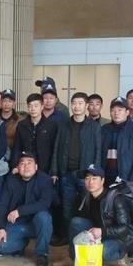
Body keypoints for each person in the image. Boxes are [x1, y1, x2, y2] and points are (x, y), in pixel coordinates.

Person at [52, 164, 133, 266]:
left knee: (102, 251)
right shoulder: (87, 196)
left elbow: (125, 228)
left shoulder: (115, 199)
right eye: (87, 178)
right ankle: (72, 257)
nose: (90, 182)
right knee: (75, 222)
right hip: (98, 230)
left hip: (117, 238)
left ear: (102, 181)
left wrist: (102, 232)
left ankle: (121, 256)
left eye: (94, 178)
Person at [0, 152, 54, 266]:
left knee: (44, 217)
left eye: (29, 163)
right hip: (18, 224)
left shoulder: (45, 180)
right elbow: (2, 205)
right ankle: (21, 244)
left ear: (36, 167)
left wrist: (20, 211)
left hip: (37, 224)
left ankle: (42, 254)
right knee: (1, 246)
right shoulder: (11, 180)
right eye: (22, 163)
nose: (26, 166)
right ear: (18, 167)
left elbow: (44, 203)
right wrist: (1, 228)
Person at [56, 92, 102, 233]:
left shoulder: (94, 126)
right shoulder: (63, 124)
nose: (77, 106)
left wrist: (95, 174)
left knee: (87, 207)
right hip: (67, 173)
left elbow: (98, 150)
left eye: (80, 103)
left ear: (86, 105)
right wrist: (54, 171)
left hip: (86, 175)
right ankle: (67, 236)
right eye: (74, 103)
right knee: (67, 207)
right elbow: (56, 148)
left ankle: (84, 236)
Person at [11, 93, 59, 180]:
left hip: (44, 167)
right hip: (26, 166)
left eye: (36, 106)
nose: (33, 109)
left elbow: (54, 150)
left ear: (42, 107)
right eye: (30, 106)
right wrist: (14, 165)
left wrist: (54, 171)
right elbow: (17, 147)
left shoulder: (51, 125)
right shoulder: (22, 125)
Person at [101, 96, 133, 185]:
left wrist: (132, 182)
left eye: (120, 110)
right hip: (106, 178)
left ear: (127, 112)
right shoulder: (104, 129)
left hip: (126, 178)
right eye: (113, 110)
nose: (116, 113)